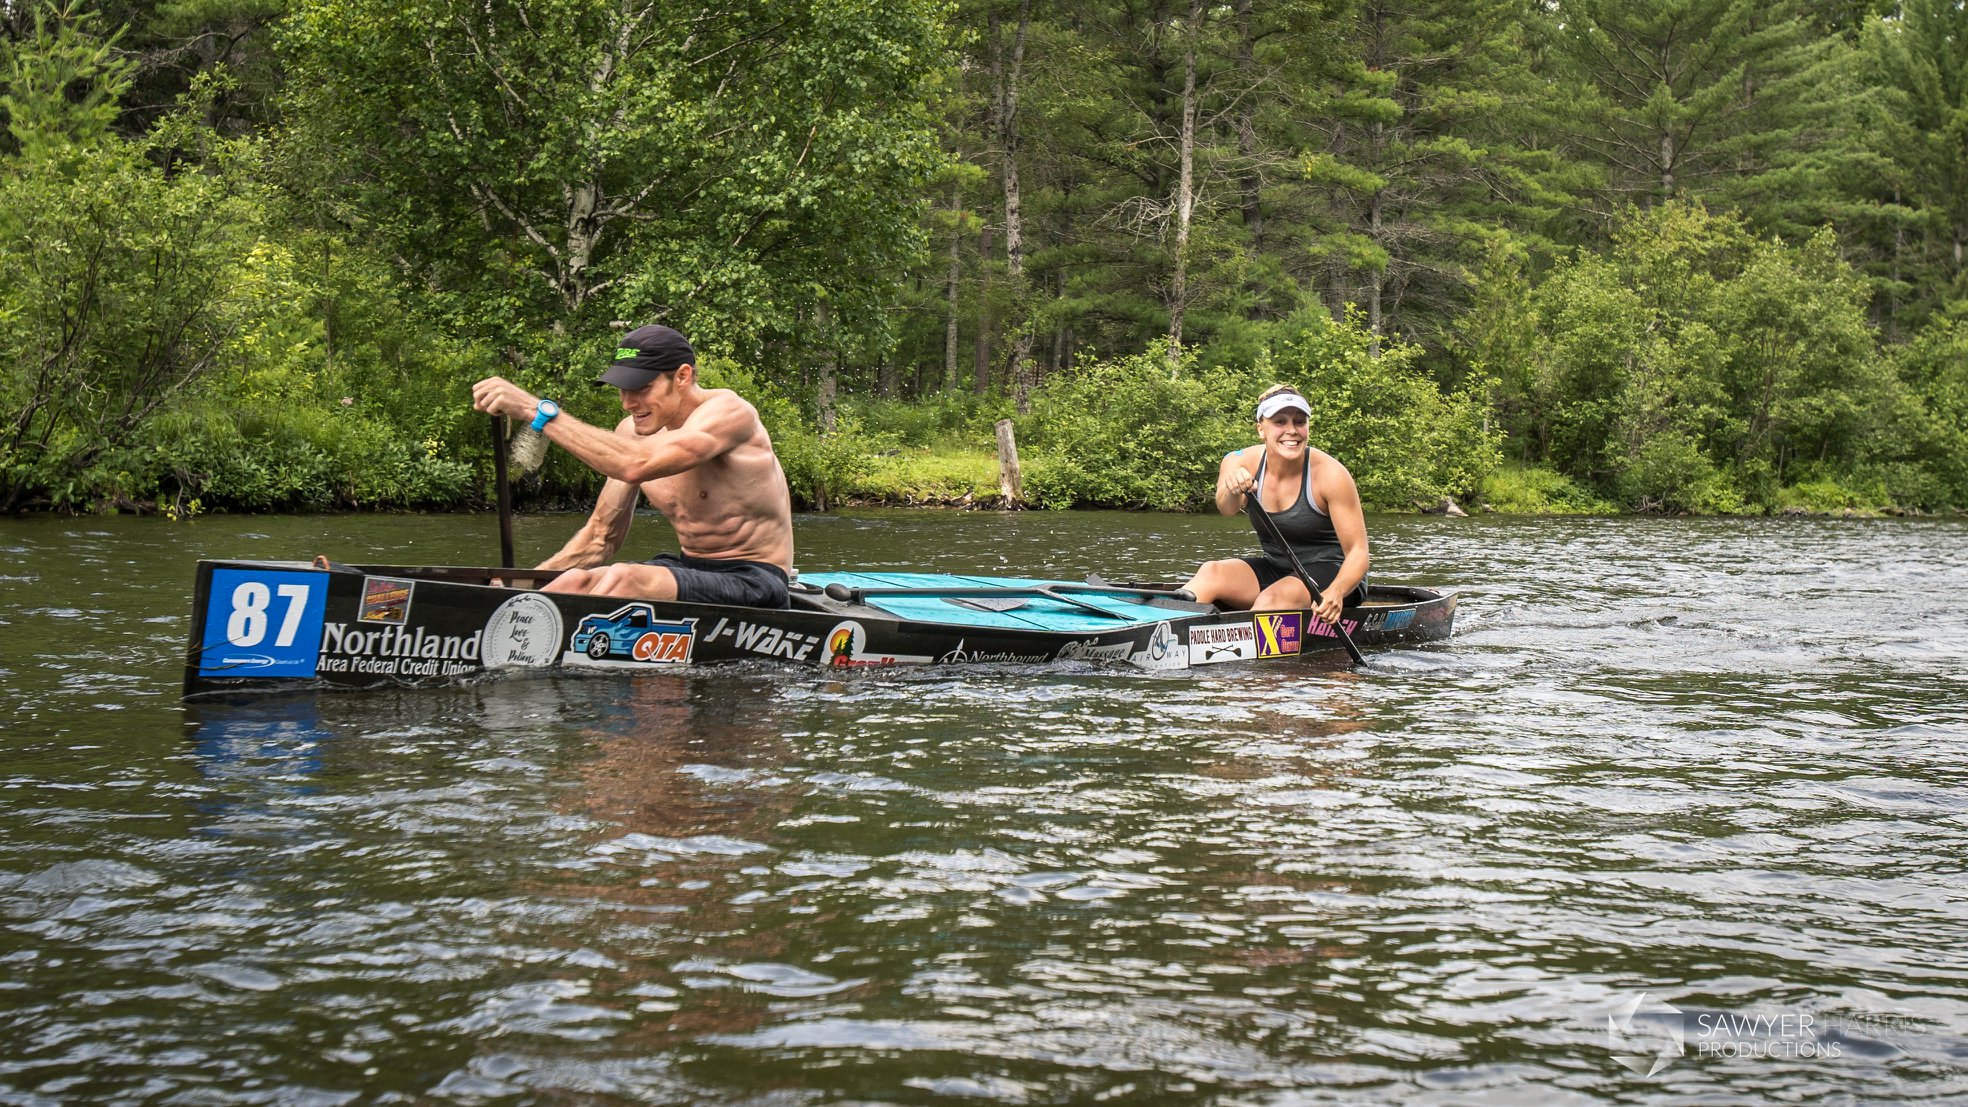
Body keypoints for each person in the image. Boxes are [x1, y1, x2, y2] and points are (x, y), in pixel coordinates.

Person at [470, 324, 795, 608]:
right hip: (691, 568)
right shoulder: (631, 432)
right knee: (574, 582)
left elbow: (635, 464)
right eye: (623, 389)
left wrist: (534, 410)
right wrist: (523, 584)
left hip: (756, 580)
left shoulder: (728, 413)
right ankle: (515, 617)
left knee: (626, 578)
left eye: (641, 388)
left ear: (682, 376)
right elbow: (600, 537)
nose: (628, 402)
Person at [1181, 384, 1369, 624]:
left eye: (1299, 422)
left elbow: (1358, 553)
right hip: (1276, 568)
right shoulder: (1239, 460)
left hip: (1335, 575)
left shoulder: (1331, 475)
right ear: (1261, 429)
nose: (1291, 430)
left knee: (1270, 602)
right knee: (1211, 572)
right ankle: (1160, 627)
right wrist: (1232, 488)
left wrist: (1337, 591)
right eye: (1280, 422)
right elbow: (1226, 509)